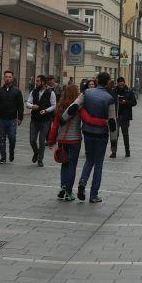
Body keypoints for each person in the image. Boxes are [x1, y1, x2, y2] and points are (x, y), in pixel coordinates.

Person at [59, 72, 118, 203]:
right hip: (102, 134)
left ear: (97, 81)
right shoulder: (109, 98)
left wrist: (63, 119)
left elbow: (74, 107)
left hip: (88, 133)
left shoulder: (87, 93)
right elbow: (112, 121)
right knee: (99, 163)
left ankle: (82, 181)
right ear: (108, 82)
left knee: (89, 159)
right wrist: (114, 142)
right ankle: (93, 195)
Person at [48, 83, 82, 201]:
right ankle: (68, 191)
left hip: (62, 140)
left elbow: (55, 126)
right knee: (72, 166)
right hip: (75, 140)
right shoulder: (79, 107)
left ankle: (63, 187)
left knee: (64, 164)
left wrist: (51, 140)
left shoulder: (60, 106)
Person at [0, 70, 25, 163]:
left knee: (12, 138)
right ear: (3, 78)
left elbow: (20, 105)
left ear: (12, 78)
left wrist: (20, 118)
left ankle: (11, 151)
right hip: (0, 119)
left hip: (12, 120)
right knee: (2, 138)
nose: (8, 78)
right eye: (6, 77)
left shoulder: (17, 91)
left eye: (9, 77)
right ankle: (3, 157)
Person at [26, 74, 56, 167]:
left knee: (42, 141)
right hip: (34, 120)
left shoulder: (50, 92)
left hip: (45, 120)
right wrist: (32, 106)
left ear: (43, 82)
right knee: (32, 140)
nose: (36, 83)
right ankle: (36, 152)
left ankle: (40, 159)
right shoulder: (33, 92)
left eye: (38, 81)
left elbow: (54, 105)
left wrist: (46, 110)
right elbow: (28, 102)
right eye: (36, 81)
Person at [111, 76, 137, 158]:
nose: (121, 86)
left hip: (125, 116)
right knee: (115, 135)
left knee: (125, 134)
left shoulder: (129, 91)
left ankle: (127, 151)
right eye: (120, 85)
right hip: (116, 115)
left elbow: (134, 102)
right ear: (117, 84)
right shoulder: (114, 91)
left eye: (122, 85)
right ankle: (113, 152)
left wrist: (126, 102)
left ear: (124, 83)